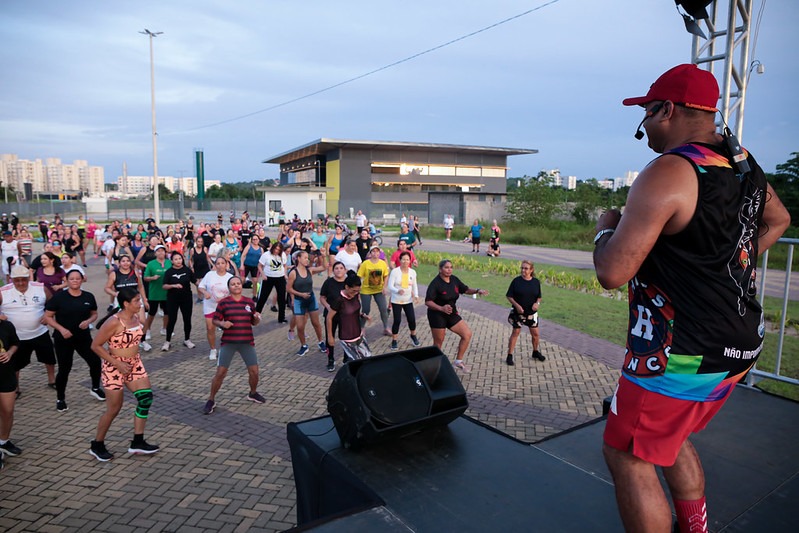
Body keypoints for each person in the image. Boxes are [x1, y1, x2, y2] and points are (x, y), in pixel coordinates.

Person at [593, 64, 791, 533]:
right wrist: (725, 265)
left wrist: (606, 229)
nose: (645, 130)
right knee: (672, 436)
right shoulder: (742, 164)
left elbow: (612, 272)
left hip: (680, 350)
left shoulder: (670, 170)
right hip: (740, 343)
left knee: (628, 454)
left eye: (646, 118)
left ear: (667, 109)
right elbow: (778, 221)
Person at [90, 289, 159, 461]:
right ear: (126, 304)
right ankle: (97, 444)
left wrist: (141, 292)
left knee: (145, 399)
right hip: (114, 367)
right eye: (136, 301)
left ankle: (138, 441)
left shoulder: (136, 317)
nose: (139, 304)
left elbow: (143, 322)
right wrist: (117, 364)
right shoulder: (114, 322)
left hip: (135, 364)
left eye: (139, 301)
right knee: (114, 409)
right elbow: (95, 346)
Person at [202, 277, 264, 414]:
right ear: (229, 287)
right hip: (229, 342)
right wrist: (222, 324)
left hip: (247, 342)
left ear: (241, 286)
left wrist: (256, 318)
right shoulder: (224, 303)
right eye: (233, 284)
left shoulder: (249, 302)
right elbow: (215, 320)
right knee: (220, 373)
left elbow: (254, 322)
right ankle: (211, 399)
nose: (236, 286)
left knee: (254, 372)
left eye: (238, 284)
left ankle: (252, 393)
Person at [44, 270, 103, 412]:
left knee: (95, 362)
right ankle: (60, 398)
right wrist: (62, 329)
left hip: (83, 337)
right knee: (65, 369)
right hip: (63, 339)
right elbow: (48, 317)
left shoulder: (88, 296)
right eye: (72, 279)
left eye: (78, 278)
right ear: (67, 281)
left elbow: (94, 314)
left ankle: (95, 387)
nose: (75, 281)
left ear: (82, 280)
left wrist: (88, 321)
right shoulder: (59, 298)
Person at [0, 265, 58, 391]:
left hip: (39, 332)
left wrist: (48, 314)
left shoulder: (40, 288)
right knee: (15, 364)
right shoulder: (3, 291)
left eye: (24, 279)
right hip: (17, 336)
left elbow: (53, 302)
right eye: (17, 280)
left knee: (49, 358)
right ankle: (15, 387)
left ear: (28, 278)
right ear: (11, 279)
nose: (21, 282)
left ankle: (52, 380)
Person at [425, 259, 487, 372]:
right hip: (437, 314)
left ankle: (458, 361)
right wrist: (441, 308)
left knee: (467, 334)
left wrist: (477, 291)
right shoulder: (436, 283)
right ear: (440, 269)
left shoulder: (454, 279)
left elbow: (465, 289)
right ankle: (434, 366)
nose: (449, 270)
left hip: (451, 313)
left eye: (451, 267)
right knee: (439, 342)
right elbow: (428, 301)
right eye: (446, 267)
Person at [286, 250, 328, 357]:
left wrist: (323, 257)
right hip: (299, 301)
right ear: (298, 259)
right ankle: (304, 345)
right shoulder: (293, 273)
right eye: (305, 258)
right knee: (300, 326)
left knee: (316, 323)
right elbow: (288, 288)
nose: (307, 260)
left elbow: (324, 267)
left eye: (307, 258)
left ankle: (321, 342)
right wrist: (300, 294)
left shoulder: (310, 270)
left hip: (311, 299)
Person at [505, 260, 544, 366]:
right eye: (522, 268)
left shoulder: (536, 282)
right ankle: (509, 355)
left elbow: (539, 297)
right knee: (515, 333)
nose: (523, 270)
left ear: (531, 270)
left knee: (535, 334)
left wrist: (537, 303)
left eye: (526, 268)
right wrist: (517, 306)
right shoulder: (516, 281)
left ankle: (535, 352)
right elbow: (509, 296)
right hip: (518, 313)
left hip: (531, 314)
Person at [326, 271, 372, 362]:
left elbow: (353, 310)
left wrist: (363, 315)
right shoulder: (339, 300)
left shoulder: (355, 295)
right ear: (347, 287)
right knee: (355, 361)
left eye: (358, 291)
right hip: (347, 336)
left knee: (368, 357)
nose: (355, 293)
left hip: (358, 333)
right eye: (354, 290)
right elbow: (329, 318)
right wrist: (330, 336)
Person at [198, 257, 234, 360]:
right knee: (210, 328)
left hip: (225, 307)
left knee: (227, 328)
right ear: (215, 265)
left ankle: (226, 348)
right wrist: (205, 293)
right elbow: (201, 286)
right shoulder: (210, 275)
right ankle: (213, 350)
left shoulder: (230, 277)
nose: (220, 265)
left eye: (222, 263)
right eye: (218, 263)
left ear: (226, 264)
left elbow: (236, 289)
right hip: (210, 305)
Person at [387, 250, 421, 350]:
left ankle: (413, 335)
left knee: (412, 319)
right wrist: (397, 290)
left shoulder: (413, 272)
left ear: (410, 261)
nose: (405, 261)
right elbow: (390, 286)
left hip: (408, 300)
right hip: (396, 300)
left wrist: (417, 295)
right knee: (397, 320)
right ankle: (394, 340)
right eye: (403, 259)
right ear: (400, 260)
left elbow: (414, 285)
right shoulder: (395, 272)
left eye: (407, 259)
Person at [162, 251, 195, 351]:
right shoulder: (169, 272)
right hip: (172, 299)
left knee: (187, 319)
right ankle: (167, 341)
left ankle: (187, 339)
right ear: (172, 261)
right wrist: (173, 286)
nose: (178, 261)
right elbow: (164, 286)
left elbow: (195, 281)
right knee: (172, 319)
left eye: (180, 259)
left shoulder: (187, 270)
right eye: (175, 259)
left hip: (186, 298)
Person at [0, 312, 21, 468]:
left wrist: (10, 352)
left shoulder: (7, 326)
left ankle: (3, 441)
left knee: (8, 411)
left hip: (6, 375)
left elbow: (15, 343)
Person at [141, 245, 171, 351]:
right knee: (151, 313)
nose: (161, 253)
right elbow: (145, 277)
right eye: (158, 251)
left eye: (163, 251)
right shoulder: (151, 264)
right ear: (155, 253)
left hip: (167, 293)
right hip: (154, 293)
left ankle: (164, 328)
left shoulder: (169, 262)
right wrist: (152, 278)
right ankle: (148, 329)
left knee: (167, 313)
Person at [319, 261, 347, 372]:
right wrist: (328, 307)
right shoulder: (328, 282)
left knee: (345, 337)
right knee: (330, 337)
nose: (339, 270)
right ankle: (330, 359)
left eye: (341, 268)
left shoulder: (348, 283)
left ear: (345, 270)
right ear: (333, 270)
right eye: (336, 268)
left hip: (345, 315)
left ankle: (346, 358)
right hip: (331, 315)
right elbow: (322, 297)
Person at [357, 245, 390, 336]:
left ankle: (386, 327)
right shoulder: (365, 263)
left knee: (383, 308)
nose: (375, 254)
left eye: (377, 252)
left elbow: (386, 275)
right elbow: (359, 276)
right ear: (370, 253)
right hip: (366, 290)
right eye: (373, 252)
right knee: (366, 310)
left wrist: (384, 287)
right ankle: (362, 327)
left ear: (379, 253)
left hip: (379, 290)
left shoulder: (382, 263)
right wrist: (357, 289)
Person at [255, 242, 288, 324]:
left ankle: (281, 318)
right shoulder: (266, 255)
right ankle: (255, 315)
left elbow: (285, 265)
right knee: (263, 297)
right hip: (268, 277)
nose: (276, 251)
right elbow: (259, 265)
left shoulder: (282, 255)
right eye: (276, 249)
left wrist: (285, 274)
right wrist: (262, 274)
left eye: (278, 250)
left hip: (280, 277)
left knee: (281, 298)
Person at [188, 237, 212, 304]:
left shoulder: (204, 248)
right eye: (199, 241)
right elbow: (190, 259)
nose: (200, 243)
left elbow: (207, 258)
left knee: (203, 283)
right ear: (196, 242)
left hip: (204, 268)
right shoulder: (192, 250)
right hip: (196, 268)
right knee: (197, 284)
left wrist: (213, 265)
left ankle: (205, 296)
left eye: (201, 242)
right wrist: (191, 267)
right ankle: (199, 297)